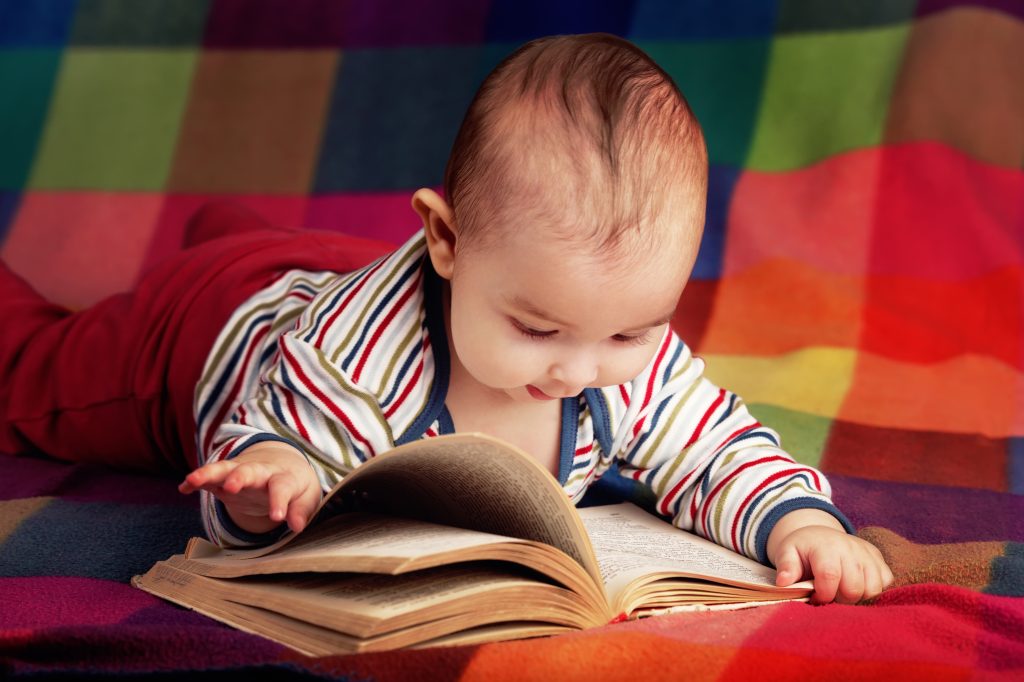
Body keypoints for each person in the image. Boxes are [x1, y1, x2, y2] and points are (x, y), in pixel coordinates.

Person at [0, 33, 892, 604]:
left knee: (274, 251)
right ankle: (215, 251)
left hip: (333, 267)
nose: (581, 370)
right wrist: (276, 479)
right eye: (539, 330)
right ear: (446, 238)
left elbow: (715, 450)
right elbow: (262, 468)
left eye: (628, 331)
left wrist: (798, 526)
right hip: (210, 331)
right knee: (31, 373)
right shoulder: (358, 362)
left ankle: (232, 231)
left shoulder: (627, 356)